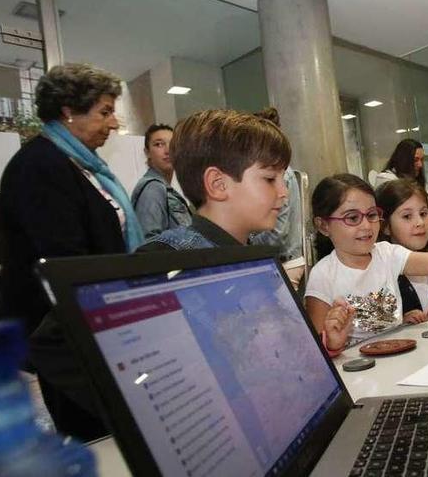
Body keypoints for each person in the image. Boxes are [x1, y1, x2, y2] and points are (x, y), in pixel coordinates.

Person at [0, 63, 144, 440]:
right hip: (68, 342)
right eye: (105, 112)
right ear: (68, 110)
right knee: (94, 432)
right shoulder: (39, 166)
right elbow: (66, 262)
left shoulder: (81, 164)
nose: (114, 124)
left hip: (94, 327)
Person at [136, 110, 354, 354]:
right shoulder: (166, 261)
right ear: (218, 184)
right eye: (270, 178)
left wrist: (326, 345)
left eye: (283, 178)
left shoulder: (256, 260)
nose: (284, 192)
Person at [304, 174, 428, 350]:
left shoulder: (387, 255)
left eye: (372, 215)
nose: (366, 225)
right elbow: (316, 351)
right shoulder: (323, 275)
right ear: (323, 226)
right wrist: (333, 343)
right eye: (352, 218)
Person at [378, 179, 428, 324]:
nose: (420, 222)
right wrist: (399, 320)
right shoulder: (381, 269)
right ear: (386, 226)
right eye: (407, 216)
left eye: (424, 213)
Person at [248, 107, 305, 288]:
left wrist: (243, 244)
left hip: (283, 263)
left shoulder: (281, 174)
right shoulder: (277, 171)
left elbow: (277, 235)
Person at [131, 123, 192, 239]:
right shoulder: (153, 188)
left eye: (173, 144)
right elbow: (149, 243)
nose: (168, 150)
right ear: (147, 152)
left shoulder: (165, 188)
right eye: (159, 144)